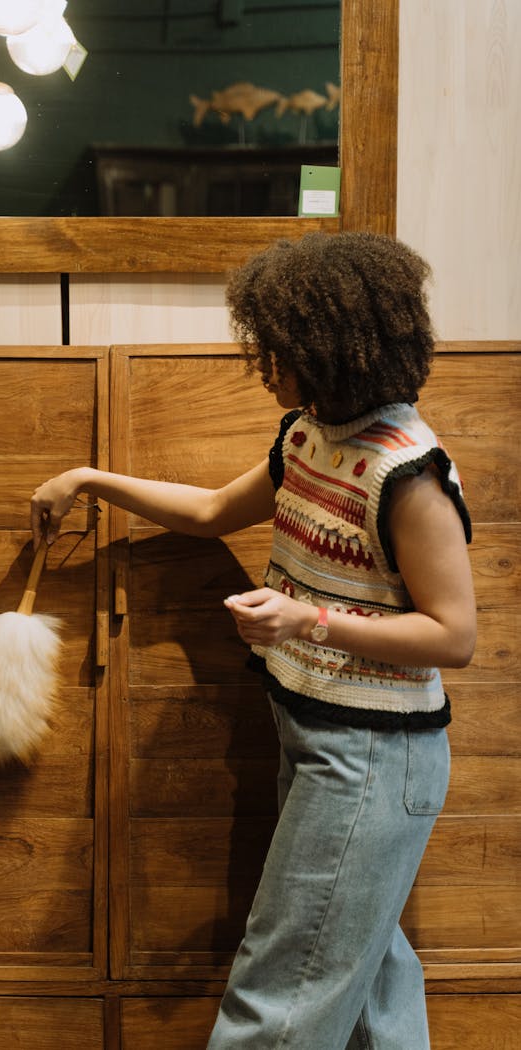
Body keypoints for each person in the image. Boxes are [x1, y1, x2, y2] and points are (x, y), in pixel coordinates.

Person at [30, 232, 476, 1050]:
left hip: (374, 758)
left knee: (283, 990)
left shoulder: (407, 476)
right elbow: (207, 511)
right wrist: (90, 479)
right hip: (316, 735)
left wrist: (305, 619)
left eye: (280, 350)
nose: (264, 365)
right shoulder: (311, 435)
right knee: (370, 975)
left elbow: (455, 636)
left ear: (337, 349)